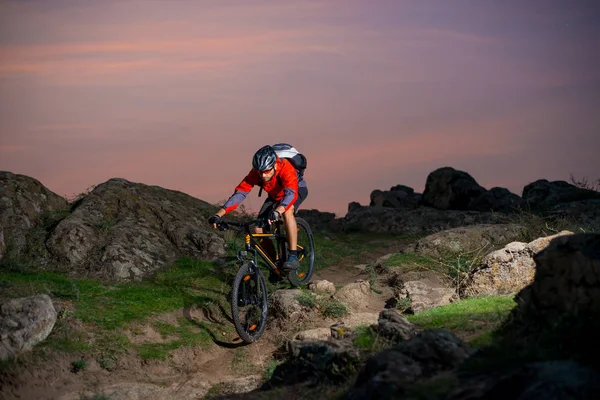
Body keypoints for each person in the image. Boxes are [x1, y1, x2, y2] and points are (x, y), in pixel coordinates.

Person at [208, 145, 308, 271]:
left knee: (287, 211)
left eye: (266, 171)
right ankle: (276, 265)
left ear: (275, 165)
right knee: (258, 229)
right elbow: (240, 193)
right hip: (275, 195)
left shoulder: (286, 168)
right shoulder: (257, 173)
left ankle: (293, 256)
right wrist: (219, 214)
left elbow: (290, 195)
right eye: (260, 172)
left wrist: (278, 211)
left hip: (296, 190)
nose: (263, 176)